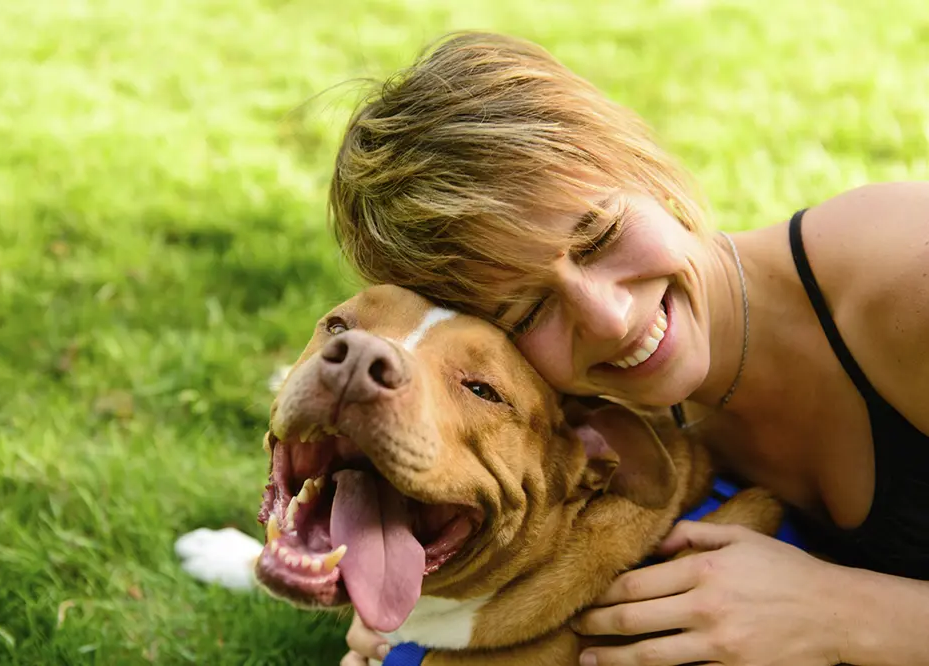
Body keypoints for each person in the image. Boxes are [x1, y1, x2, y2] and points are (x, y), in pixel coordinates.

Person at [327, 31, 929, 666]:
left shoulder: (905, 277)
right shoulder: (583, 415)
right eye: (529, 310)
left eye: (600, 236)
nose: (610, 319)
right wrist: (403, 603)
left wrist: (835, 611)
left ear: (646, 168)